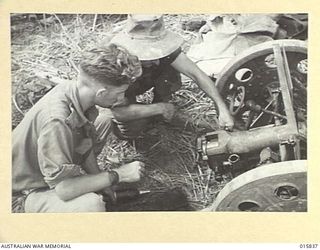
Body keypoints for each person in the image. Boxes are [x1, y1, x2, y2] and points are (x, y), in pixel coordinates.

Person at [12, 44, 145, 213]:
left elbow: (84, 143)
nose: (122, 98)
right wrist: (118, 175)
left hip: (42, 172)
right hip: (19, 193)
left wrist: (103, 185)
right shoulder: (57, 122)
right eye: (120, 92)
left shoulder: (75, 92)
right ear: (102, 93)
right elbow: (64, 190)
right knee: (90, 205)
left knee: (104, 121)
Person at [107, 14, 234, 138]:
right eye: (149, 56)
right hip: (119, 99)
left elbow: (197, 74)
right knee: (134, 128)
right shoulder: (114, 61)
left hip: (140, 84)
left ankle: (160, 104)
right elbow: (119, 112)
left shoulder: (163, 50)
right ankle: (152, 111)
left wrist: (222, 108)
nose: (156, 61)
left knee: (170, 67)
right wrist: (160, 108)